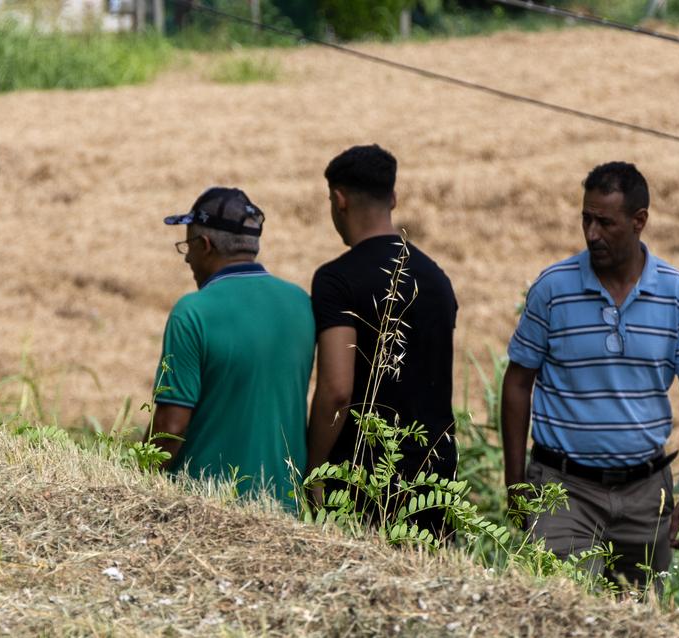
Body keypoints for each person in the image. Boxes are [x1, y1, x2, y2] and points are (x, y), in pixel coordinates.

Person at [502, 161, 679, 588]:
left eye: (605, 222)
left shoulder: (676, 295)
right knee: (564, 609)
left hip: (646, 496)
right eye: (586, 219)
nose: (591, 233)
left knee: (637, 614)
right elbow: (517, 383)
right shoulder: (552, 289)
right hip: (563, 491)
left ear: (639, 221)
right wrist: (516, 485)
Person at [308, 144, 459, 537]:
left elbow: (337, 390)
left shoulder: (336, 280)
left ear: (339, 200)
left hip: (361, 477)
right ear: (392, 197)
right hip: (433, 475)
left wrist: (314, 469)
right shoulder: (436, 278)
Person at [149, 187, 314, 508]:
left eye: (188, 247)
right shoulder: (301, 303)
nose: (187, 258)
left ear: (205, 245)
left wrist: (134, 482)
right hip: (284, 508)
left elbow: (170, 427)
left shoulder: (193, 311)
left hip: (204, 509)